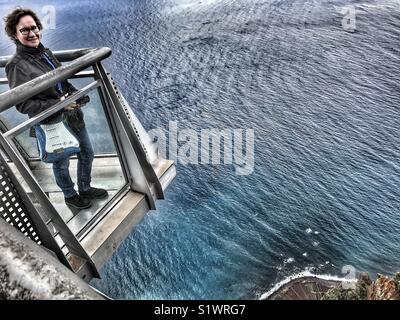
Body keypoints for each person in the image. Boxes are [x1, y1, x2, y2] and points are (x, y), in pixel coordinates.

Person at [4, 7, 107, 210]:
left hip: (72, 115)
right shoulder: (16, 65)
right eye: (24, 30)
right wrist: (60, 104)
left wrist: (77, 95)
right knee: (61, 162)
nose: (32, 33)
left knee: (87, 153)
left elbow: (62, 81)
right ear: (15, 35)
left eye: (34, 28)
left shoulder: (46, 53)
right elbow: (23, 104)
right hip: (50, 121)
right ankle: (70, 195)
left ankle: (85, 188)